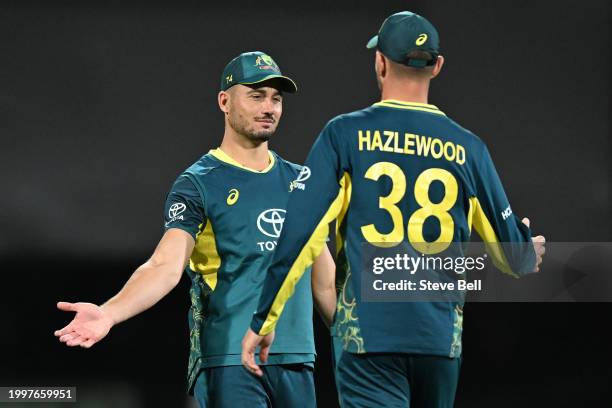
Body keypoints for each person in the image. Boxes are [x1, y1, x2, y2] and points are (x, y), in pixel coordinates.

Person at [241, 12, 546, 408]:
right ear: (437, 66)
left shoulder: (343, 135)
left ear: (380, 62)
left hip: (369, 339)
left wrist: (264, 321)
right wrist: (526, 246)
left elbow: (299, 233)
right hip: (439, 344)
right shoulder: (469, 149)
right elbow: (516, 258)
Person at [54, 51, 336, 408]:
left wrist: (358, 343)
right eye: (256, 95)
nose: (269, 107)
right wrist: (109, 312)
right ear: (224, 101)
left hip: (297, 361)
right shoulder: (198, 184)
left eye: (276, 98)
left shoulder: (301, 182)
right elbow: (164, 266)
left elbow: (323, 281)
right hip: (230, 361)